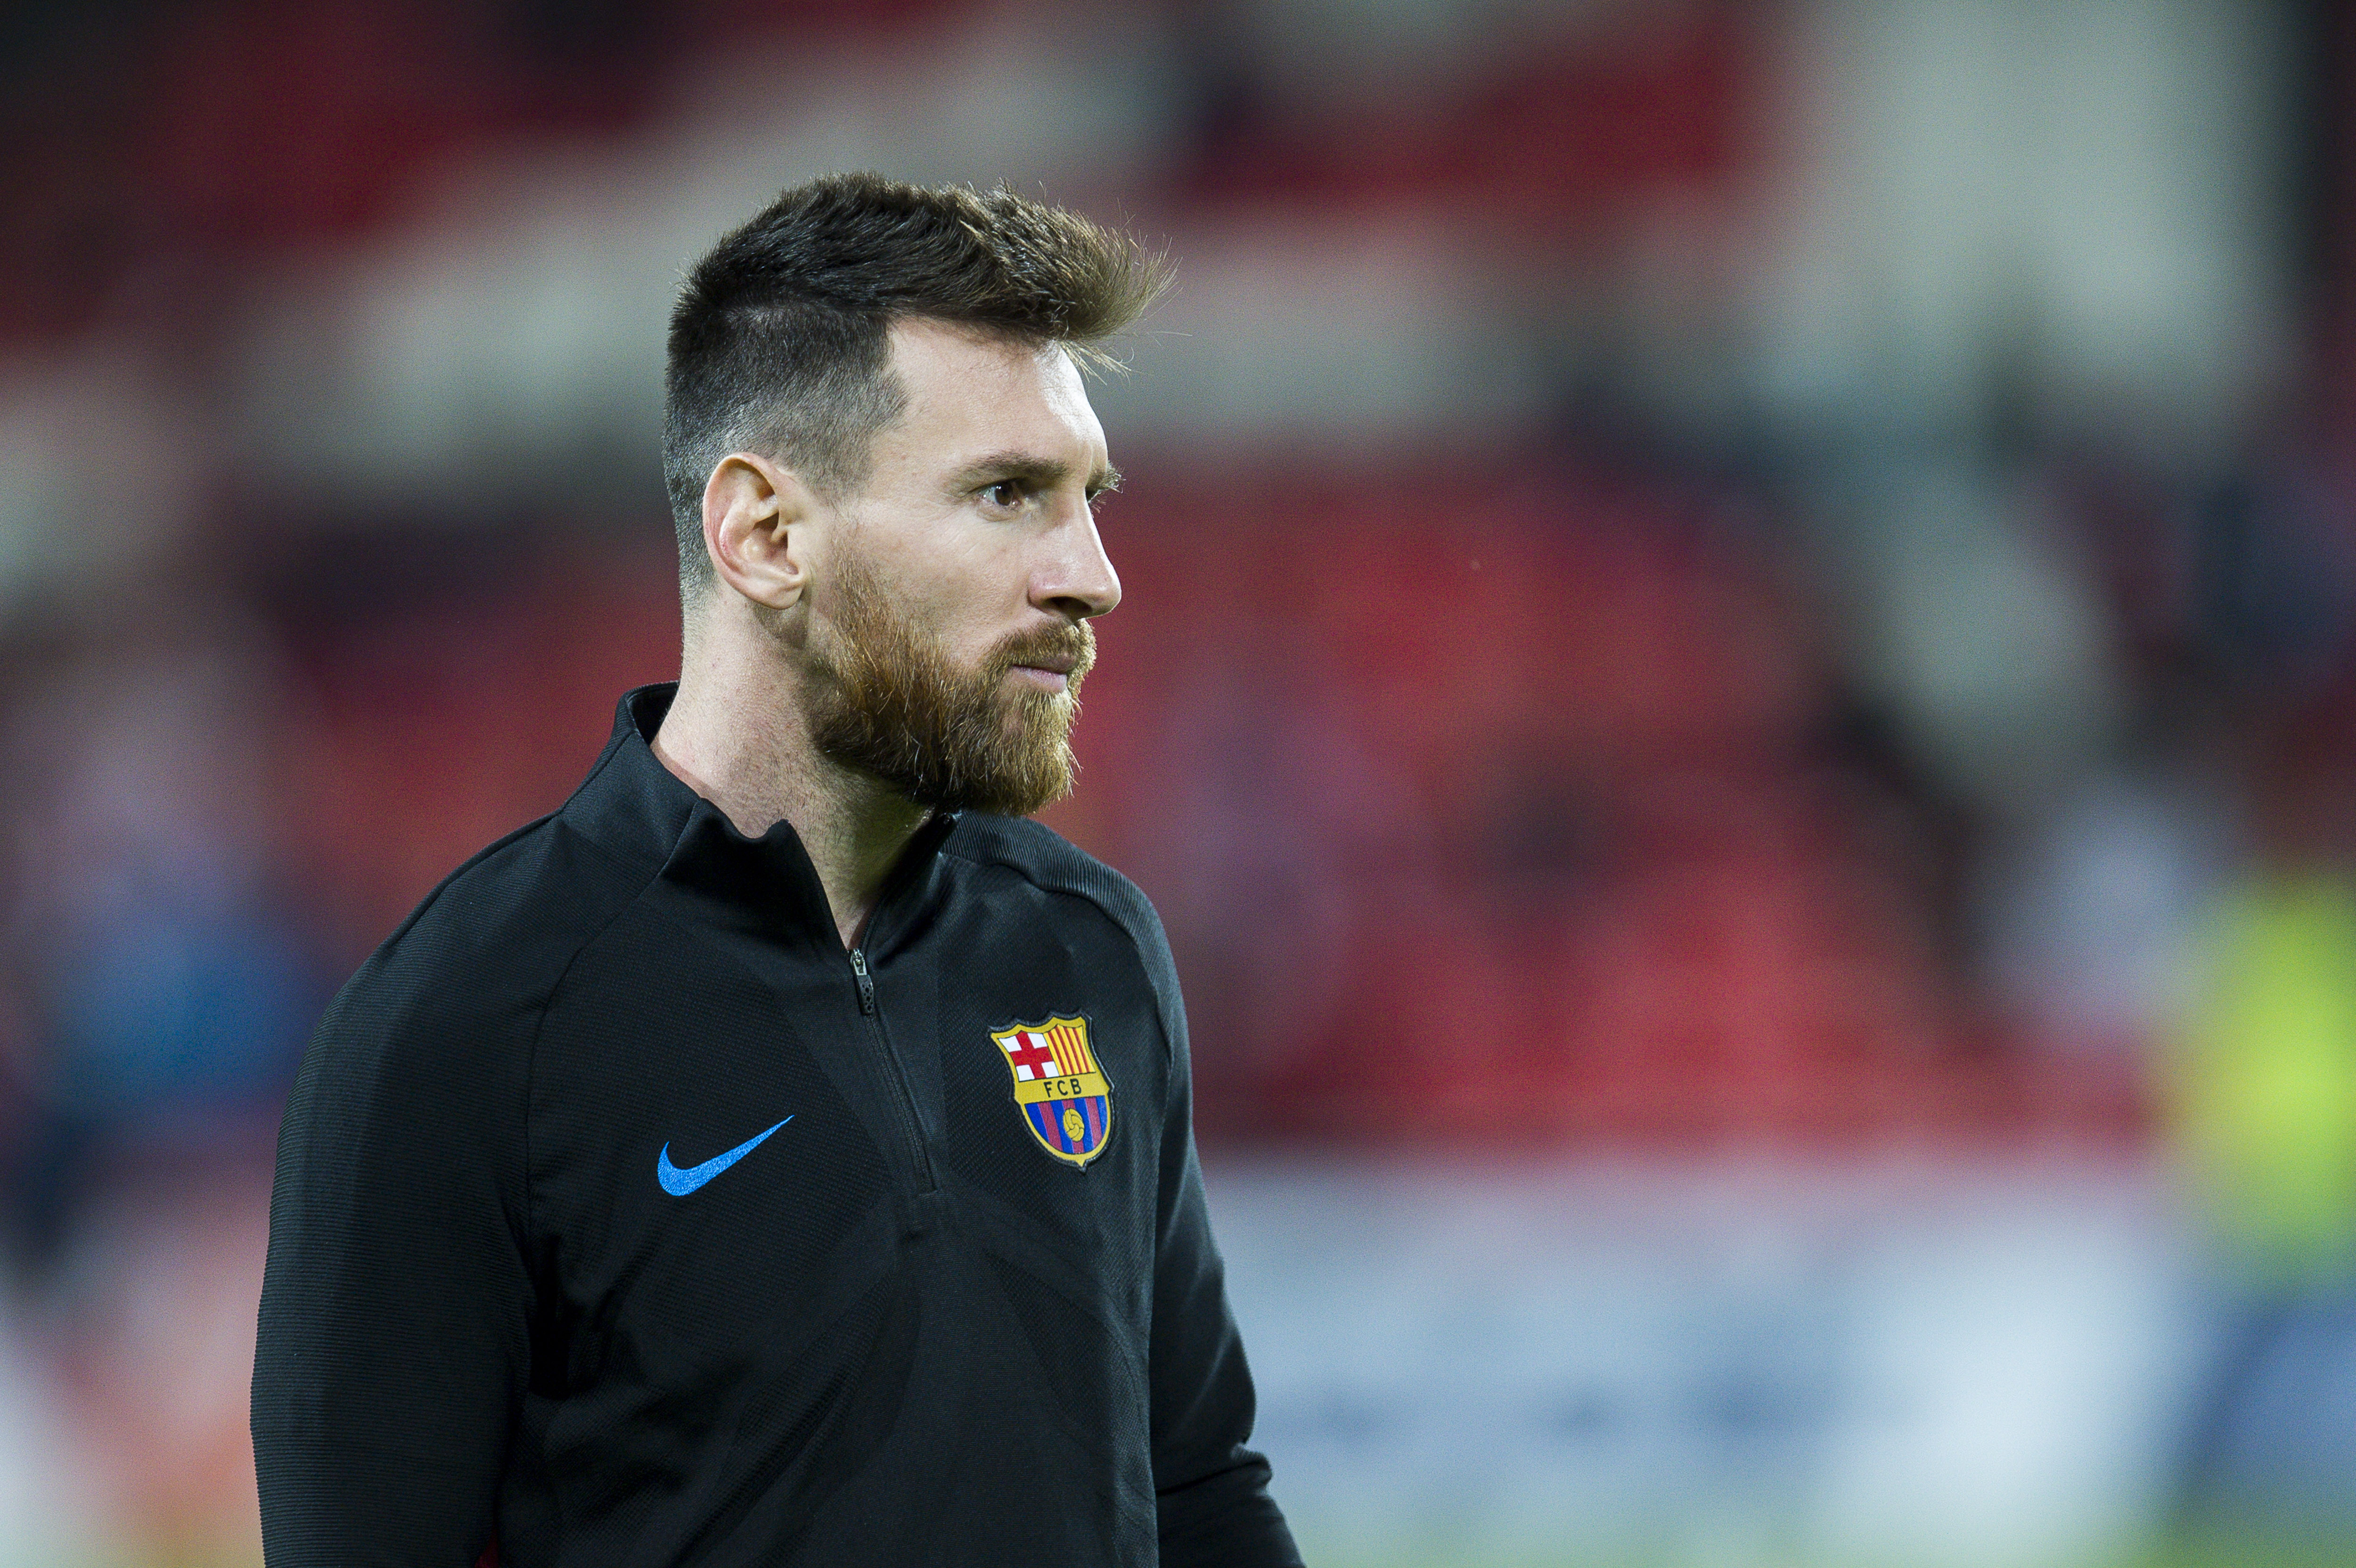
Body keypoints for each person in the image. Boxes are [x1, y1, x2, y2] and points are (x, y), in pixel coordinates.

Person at [252, 173, 1301, 1568]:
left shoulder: (1091, 948)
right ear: (764, 536)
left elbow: (1201, 1492)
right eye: (1008, 496)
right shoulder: (462, 1029)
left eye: (1088, 499)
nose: (1093, 574)